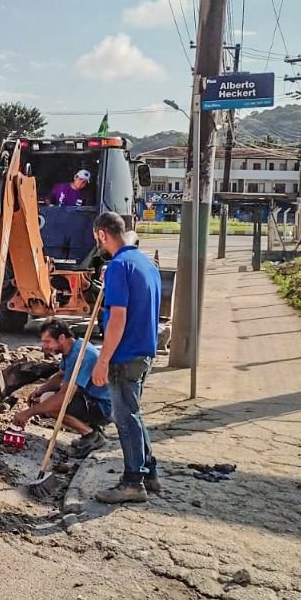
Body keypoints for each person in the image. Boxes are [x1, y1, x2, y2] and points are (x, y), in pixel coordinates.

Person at [89, 211, 163, 503]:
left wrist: (103, 360)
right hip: (145, 350)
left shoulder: (120, 266)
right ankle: (150, 472)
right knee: (134, 413)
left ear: (102, 234)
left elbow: (118, 318)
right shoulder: (145, 263)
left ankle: (133, 481)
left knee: (125, 417)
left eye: (97, 238)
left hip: (125, 354)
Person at [12, 319, 112, 457]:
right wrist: (40, 389)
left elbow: (64, 398)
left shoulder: (80, 356)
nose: (44, 346)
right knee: (45, 398)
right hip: (91, 398)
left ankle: (91, 436)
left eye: (47, 342)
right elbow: (60, 376)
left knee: (50, 402)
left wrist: (28, 413)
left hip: (103, 407)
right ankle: (91, 429)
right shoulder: (72, 349)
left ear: (62, 338)